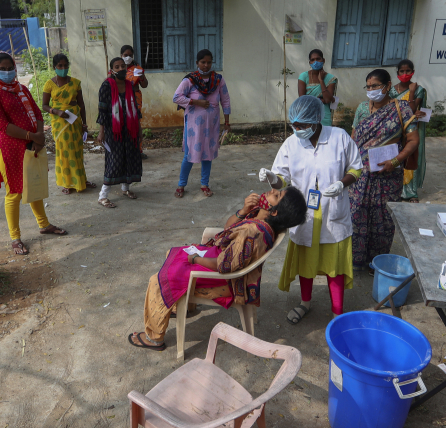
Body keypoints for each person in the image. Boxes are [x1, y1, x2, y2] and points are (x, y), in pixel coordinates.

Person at [128, 188, 307, 351]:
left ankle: (154, 338)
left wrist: (195, 259)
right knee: (173, 253)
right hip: (217, 257)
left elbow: (224, 266)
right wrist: (243, 211)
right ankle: (183, 305)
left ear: (274, 211)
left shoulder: (253, 233)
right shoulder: (258, 216)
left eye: (276, 195)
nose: (272, 190)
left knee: (157, 281)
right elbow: (228, 228)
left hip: (222, 278)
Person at [259, 96, 363, 324]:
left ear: (316, 119)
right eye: (294, 125)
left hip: (333, 212)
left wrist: (342, 183)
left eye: (302, 125)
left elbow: (356, 168)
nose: (297, 130)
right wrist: (272, 178)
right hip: (303, 213)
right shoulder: (291, 144)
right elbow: (282, 182)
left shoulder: (339, 137)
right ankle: (305, 302)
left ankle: (337, 312)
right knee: (306, 262)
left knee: (333, 265)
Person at [0, 52, 67, 255]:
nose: (6, 72)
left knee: (34, 186)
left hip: (32, 145)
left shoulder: (21, 89)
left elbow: (37, 113)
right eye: (1, 69)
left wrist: (38, 137)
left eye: (9, 67)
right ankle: (15, 237)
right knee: (14, 193)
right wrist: (33, 136)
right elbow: (2, 126)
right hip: (11, 148)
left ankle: (44, 225)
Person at [350, 69, 419, 273]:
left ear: (388, 85)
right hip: (360, 175)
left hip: (387, 175)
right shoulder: (362, 108)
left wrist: (395, 162)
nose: (371, 90)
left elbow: (414, 140)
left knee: (382, 219)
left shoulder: (402, 109)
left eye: (376, 86)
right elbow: (353, 138)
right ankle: (355, 260)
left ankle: (375, 262)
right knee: (356, 214)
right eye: (368, 87)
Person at [173, 49, 231, 198]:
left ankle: (204, 184)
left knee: (208, 155)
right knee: (189, 154)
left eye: (209, 62)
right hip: (194, 126)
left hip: (212, 124)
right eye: (203, 62)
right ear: (197, 63)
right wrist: (195, 102)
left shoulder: (218, 80)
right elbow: (176, 97)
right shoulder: (190, 80)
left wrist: (227, 122)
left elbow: (225, 100)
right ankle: (181, 184)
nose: (206, 65)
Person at [42, 53, 95, 195]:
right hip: (60, 124)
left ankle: (81, 180)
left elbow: (81, 105)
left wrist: (84, 123)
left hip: (74, 122)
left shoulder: (75, 83)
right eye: (60, 65)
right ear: (54, 67)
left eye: (66, 65)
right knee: (64, 153)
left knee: (77, 152)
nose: (63, 68)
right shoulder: (49, 84)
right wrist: (57, 111)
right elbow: (44, 106)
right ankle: (67, 183)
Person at [96, 57, 143, 208]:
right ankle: (103, 195)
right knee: (114, 160)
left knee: (129, 156)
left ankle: (125, 189)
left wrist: (139, 129)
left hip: (130, 129)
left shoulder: (130, 85)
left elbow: (135, 109)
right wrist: (101, 132)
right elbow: (102, 110)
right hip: (113, 130)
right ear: (112, 70)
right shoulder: (106, 86)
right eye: (117, 66)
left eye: (123, 66)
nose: (121, 69)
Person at [389, 59, 427, 203]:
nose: (405, 74)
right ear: (397, 72)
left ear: (413, 72)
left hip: (411, 130)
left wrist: (411, 92)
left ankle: (411, 193)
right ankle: (396, 189)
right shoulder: (392, 90)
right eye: (402, 71)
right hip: (396, 130)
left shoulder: (419, 90)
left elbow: (410, 110)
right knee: (397, 157)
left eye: (408, 71)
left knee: (410, 157)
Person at [119, 45, 149, 159]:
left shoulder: (137, 69)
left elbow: (144, 85)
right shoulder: (117, 68)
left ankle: (138, 150)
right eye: (125, 55)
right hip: (121, 98)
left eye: (130, 55)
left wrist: (142, 77)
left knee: (136, 122)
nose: (128, 57)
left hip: (135, 97)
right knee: (122, 122)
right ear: (121, 55)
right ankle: (124, 150)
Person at [298, 49, 337, 127]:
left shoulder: (330, 78)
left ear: (323, 60)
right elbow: (303, 99)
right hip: (308, 113)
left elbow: (328, 100)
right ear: (310, 63)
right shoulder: (304, 76)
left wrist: (321, 81)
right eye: (312, 60)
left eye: (318, 59)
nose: (315, 62)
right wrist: (320, 99)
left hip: (324, 115)